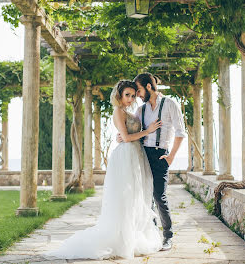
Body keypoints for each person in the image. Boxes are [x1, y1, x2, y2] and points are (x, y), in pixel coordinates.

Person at [45, 80, 162, 260]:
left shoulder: (128, 111)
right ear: (119, 95)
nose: (130, 99)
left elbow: (126, 135)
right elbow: (125, 137)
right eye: (127, 95)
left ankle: (132, 234)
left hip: (136, 154)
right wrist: (148, 131)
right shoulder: (118, 111)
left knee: (136, 196)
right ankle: (121, 239)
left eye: (132, 95)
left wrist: (133, 135)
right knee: (125, 197)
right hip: (126, 156)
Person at [118, 73, 186, 251]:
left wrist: (171, 156)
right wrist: (121, 136)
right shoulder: (141, 110)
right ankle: (153, 235)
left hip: (160, 155)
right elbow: (132, 129)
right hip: (142, 154)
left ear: (149, 86)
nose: (137, 95)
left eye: (139, 91)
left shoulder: (170, 104)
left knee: (159, 196)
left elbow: (180, 132)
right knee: (146, 199)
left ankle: (168, 236)